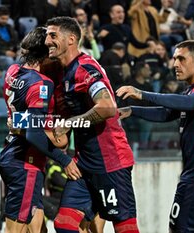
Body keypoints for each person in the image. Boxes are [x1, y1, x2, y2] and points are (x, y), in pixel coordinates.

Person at [44, 16, 139, 233]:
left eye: (53, 35)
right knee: (64, 224)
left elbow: (107, 108)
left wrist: (70, 123)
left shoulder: (85, 69)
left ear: (71, 39)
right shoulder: (62, 73)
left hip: (111, 162)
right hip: (84, 163)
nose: (47, 41)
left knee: (124, 227)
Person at [116, 40, 194, 232]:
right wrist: (132, 110)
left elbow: (189, 103)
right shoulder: (193, 90)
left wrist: (142, 93)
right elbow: (167, 113)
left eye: (181, 58)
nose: (175, 64)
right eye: (174, 59)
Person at [0, 27, 81, 233]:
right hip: (26, 162)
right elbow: (34, 133)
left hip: (11, 153)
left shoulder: (13, 71)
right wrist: (65, 160)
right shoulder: (41, 84)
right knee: (14, 229)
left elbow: (21, 118)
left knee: (36, 219)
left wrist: (19, 121)